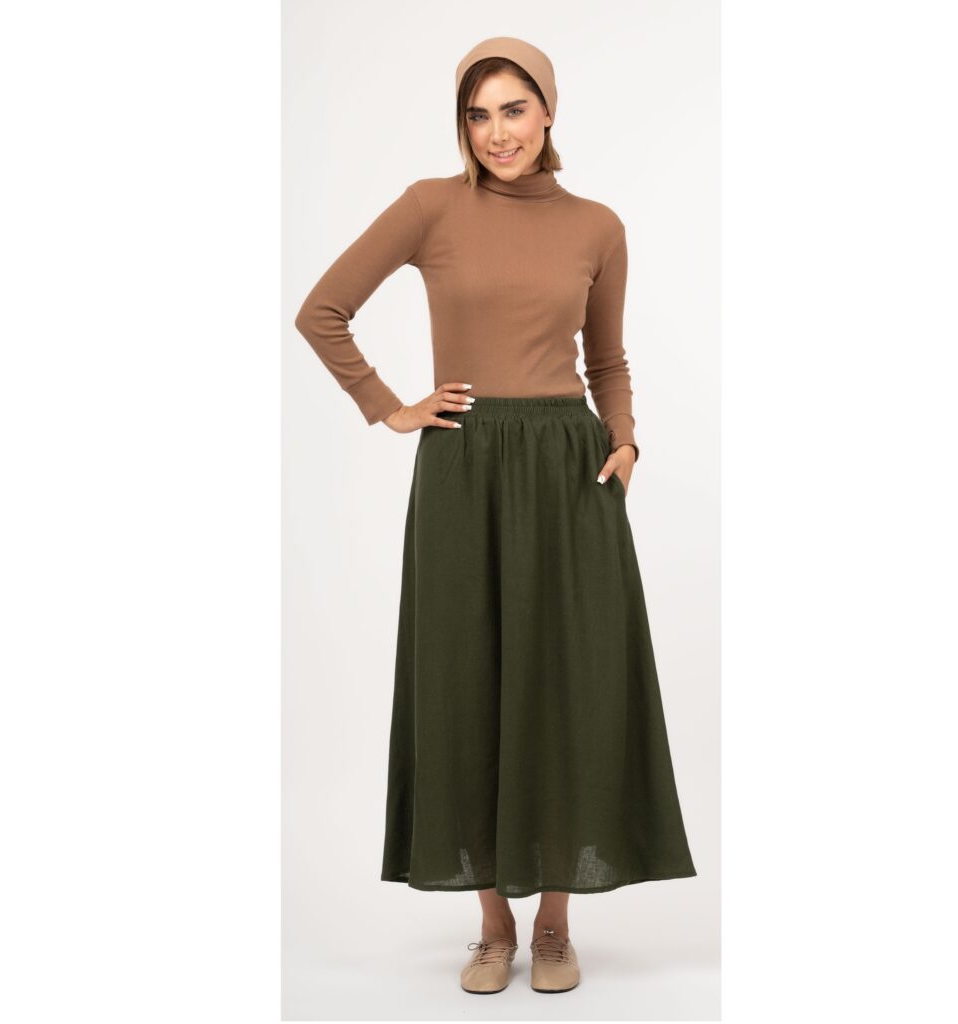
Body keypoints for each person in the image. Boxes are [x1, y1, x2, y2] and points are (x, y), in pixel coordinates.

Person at [294, 36, 697, 995]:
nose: (496, 132)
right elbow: (322, 310)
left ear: (548, 112)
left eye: (514, 109)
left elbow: (607, 359)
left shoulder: (598, 225)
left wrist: (626, 439)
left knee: (568, 684)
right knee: (464, 681)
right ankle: (491, 925)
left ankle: (554, 922)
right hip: (463, 466)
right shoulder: (430, 206)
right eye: (477, 115)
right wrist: (389, 406)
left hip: (569, 469)